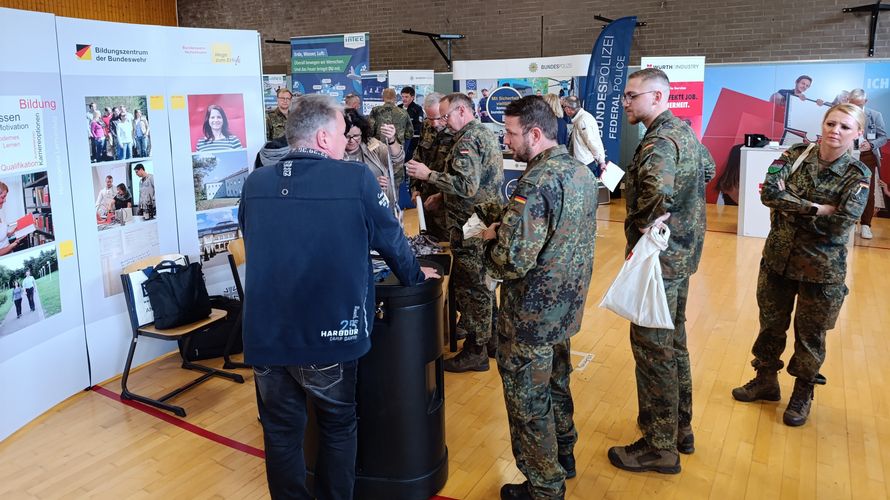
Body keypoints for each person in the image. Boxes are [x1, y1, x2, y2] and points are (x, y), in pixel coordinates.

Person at [238, 94, 438, 500]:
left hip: (266, 334)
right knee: (336, 424)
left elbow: (255, 234)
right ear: (325, 137)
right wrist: (416, 280)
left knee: (280, 434)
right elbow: (392, 241)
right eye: (342, 132)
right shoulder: (354, 179)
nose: (346, 137)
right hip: (328, 332)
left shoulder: (255, 183)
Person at [480, 96, 598, 500]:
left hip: (531, 313)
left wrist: (492, 240)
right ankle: (564, 456)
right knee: (557, 382)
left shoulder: (536, 183)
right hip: (565, 306)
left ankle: (544, 487)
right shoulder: (579, 171)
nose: (505, 141)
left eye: (510, 134)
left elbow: (513, 260)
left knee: (528, 401)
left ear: (534, 132)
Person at [731, 103, 870, 427]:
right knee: (770, 326)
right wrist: (817, 209)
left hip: (821, 271)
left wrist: (796, 207)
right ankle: (765, 380)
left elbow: (841, 224)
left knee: (810, 336)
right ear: (822, 125)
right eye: (831, 123)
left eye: (845, 127)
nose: (835, 131)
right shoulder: (795, 155)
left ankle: (802, 393)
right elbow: (769, 194)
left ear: (857, 134)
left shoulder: (857, 175)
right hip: (777, 259)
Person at [608, 68, 715, 474]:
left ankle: (659, 446)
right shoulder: (683, 132)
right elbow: (706, 170)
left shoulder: (658, 142)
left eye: (632, 96)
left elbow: (656, 192)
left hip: (659, 262)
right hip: (682, 256)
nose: (625, 102)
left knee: (653, 349)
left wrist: (641, 229)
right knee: (674, 343)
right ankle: (679, 427)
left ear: (656, 97)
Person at [406, 92, 504, 372]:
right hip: (480, 220)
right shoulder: (482, 133)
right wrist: (441, 196)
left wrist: (429, 175)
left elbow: (466, 186)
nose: (445, 121)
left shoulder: (468, 139)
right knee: (483, 284)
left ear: (462, 111)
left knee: (472, 287)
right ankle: (492, 341)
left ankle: (476, 351)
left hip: (471, 225)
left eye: (447, 115)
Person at [409, 92, 453, 241]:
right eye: (430, 118)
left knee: (448, 247)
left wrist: (441, 197)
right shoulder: (426, 127)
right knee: (428, 245)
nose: (434, 123)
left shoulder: (458, 132)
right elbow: (418, 157)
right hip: (427, 201)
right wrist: (415, 189)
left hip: (447, 202)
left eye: (438, 118)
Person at [343, 108, 405, 206]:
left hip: (380, 206)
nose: (351, 140)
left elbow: (397, 158)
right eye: (347, 136)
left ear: (362, 132)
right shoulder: (333, 153)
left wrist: (392, 140)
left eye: (356, 136)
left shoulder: (371, 144)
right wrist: (370, 184)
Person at [848, 88, 887, 239]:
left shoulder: (875, 115)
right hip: (848, 155)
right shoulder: (844, 113)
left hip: (868, 156)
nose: (856, 107)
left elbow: (883, 137)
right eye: (853, 103)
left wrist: (871, 145)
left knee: (868, 192)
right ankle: (849, 222)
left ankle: (866, 225)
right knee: (846, 189)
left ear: (865, 101)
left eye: (859, 104)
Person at [562, 96, 606, 176]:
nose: (564, 110)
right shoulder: (582, 118)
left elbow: (591, 141)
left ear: (568, 109)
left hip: (585, 164)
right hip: (584, 164)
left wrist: (601, 160)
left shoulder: (583, 121)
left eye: (563, 107)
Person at [399, 86, 425, 160]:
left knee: (408, 159)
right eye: (402, 96)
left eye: (406, 97)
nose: (404, 99)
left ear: (412, 97)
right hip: (400, 139)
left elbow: (418, 124)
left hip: (412, 139)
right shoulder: (398, 108)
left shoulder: (417, 109)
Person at [0, 181, 24, 256]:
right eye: (3, 197)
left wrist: (12, 232)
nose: (5, 200)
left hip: (9, 254)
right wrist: (13, 244)